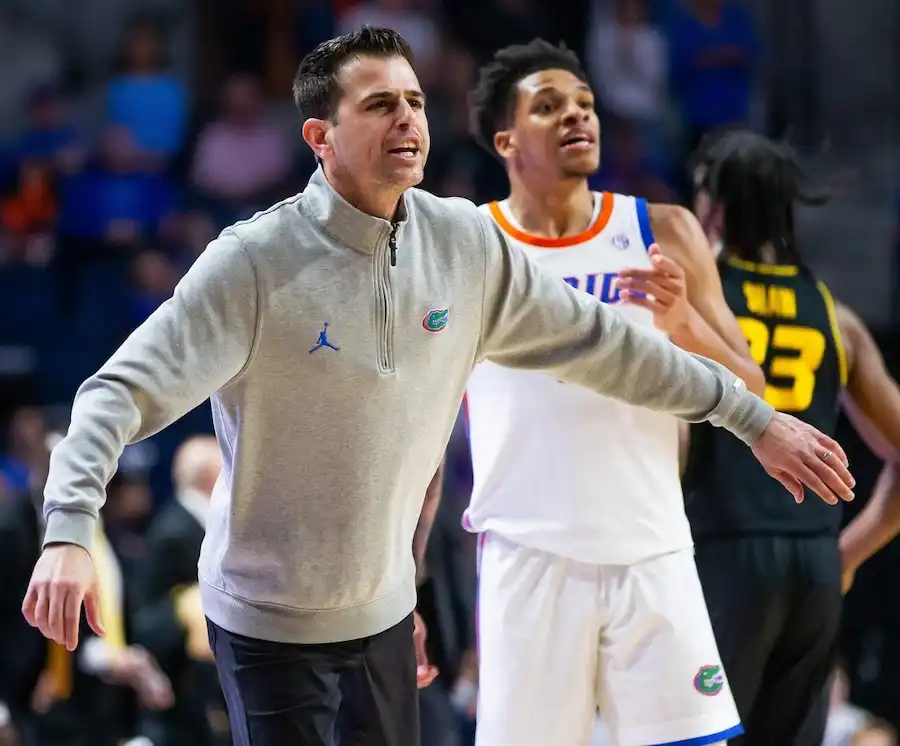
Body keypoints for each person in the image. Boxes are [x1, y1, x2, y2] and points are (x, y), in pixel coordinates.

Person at [23, 29, 853, 746]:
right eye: (380, 105)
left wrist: (753, 419)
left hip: (384, 614)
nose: (409, 120)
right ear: (321, 136)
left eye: (416, 101)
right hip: (268, 623)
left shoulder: (465, 244)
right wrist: (67, 529)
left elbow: (608, 347)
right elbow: (115, 391)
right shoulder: (254, 263)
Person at [462, 38, 762, 746]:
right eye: (550, 106)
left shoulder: (662, 230)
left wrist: (681, 321)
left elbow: (751, 388)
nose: (577, 117)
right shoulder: (470, 243)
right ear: (506, 140)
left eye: (585, 104)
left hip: (650, 548)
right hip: (526, 553)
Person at [683, 128, 900, 746]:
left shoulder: (695, 303)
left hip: (721, 551)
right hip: (812, 560)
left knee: (704, 738)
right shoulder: (834, 314)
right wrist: (849, 553)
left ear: (713, 206)